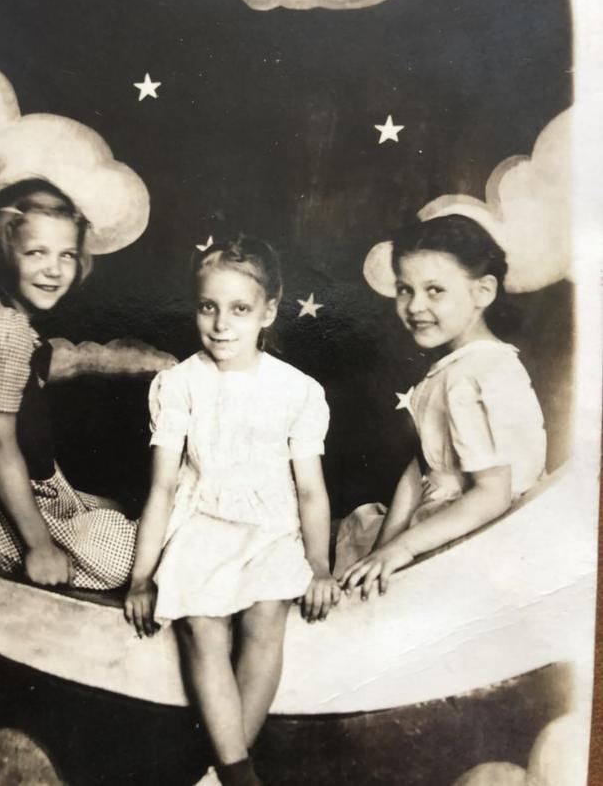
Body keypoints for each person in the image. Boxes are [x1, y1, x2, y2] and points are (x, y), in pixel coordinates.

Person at [124, 236, 339, 786]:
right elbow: (162, 488)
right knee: (202, 624)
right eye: (208, 306)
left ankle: (222, 776)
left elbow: (311, 491)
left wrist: (319, 566)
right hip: (202, 523)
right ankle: (239, 775)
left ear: (268, 311)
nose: (221, 324)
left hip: (272, 527)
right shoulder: (178, 384)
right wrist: (142, 577)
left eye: (240, 309)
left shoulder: (298, 391)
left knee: (267, 615)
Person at [0, 177, 168, 590]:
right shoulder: (5, 327)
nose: (54, 269)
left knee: (111, 507)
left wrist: (143, 362)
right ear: (5, 254)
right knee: (125, 552)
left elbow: (59, 361)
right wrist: (40, 547)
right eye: (36, 252)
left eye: (66, 254)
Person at [337, 212, 546, 598]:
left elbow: (492, 494)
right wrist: (383, 548)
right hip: (435, 517)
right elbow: (422, 468)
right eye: (405, 289)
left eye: (435, 290)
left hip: (480, 536)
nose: (415, 306)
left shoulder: (476, 375)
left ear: (483, 292)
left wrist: (402, 548)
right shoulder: (456, 367)